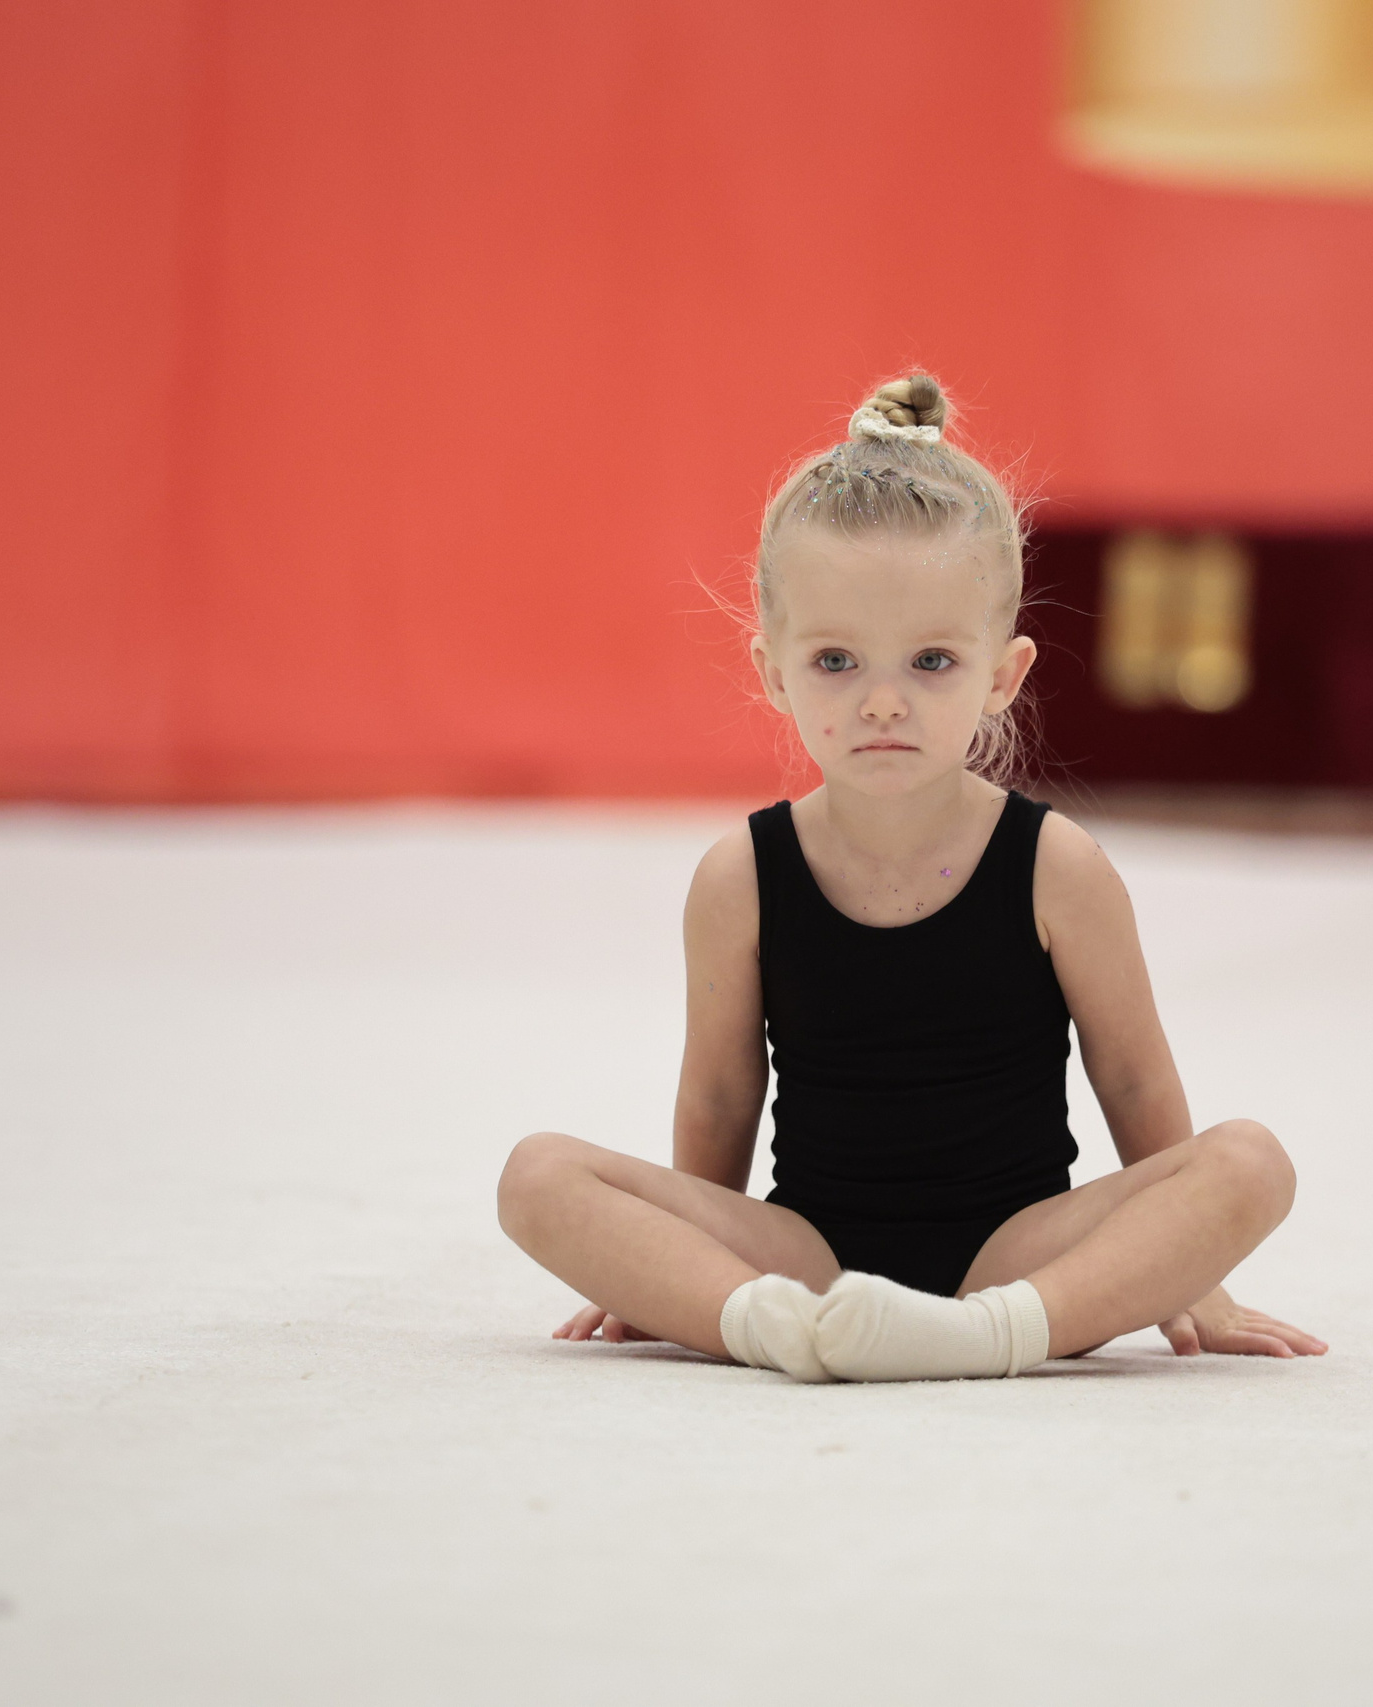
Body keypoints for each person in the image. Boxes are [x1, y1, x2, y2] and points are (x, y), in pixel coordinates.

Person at [496, 375, 1325, 1382]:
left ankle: (987, 1335)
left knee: (1250, 1163)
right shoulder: (740, 878)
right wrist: (684, 1271)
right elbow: (718, 1099)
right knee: (536, 1175)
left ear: (1002, 675)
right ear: (772, 671)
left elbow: (1136, 1078)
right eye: (837, 661)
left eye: (930, 661)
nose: (883, 702)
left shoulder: (1054, 866)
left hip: (1016, 1256)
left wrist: (1188, 1269)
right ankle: (766, 1326)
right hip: (805, 1257)